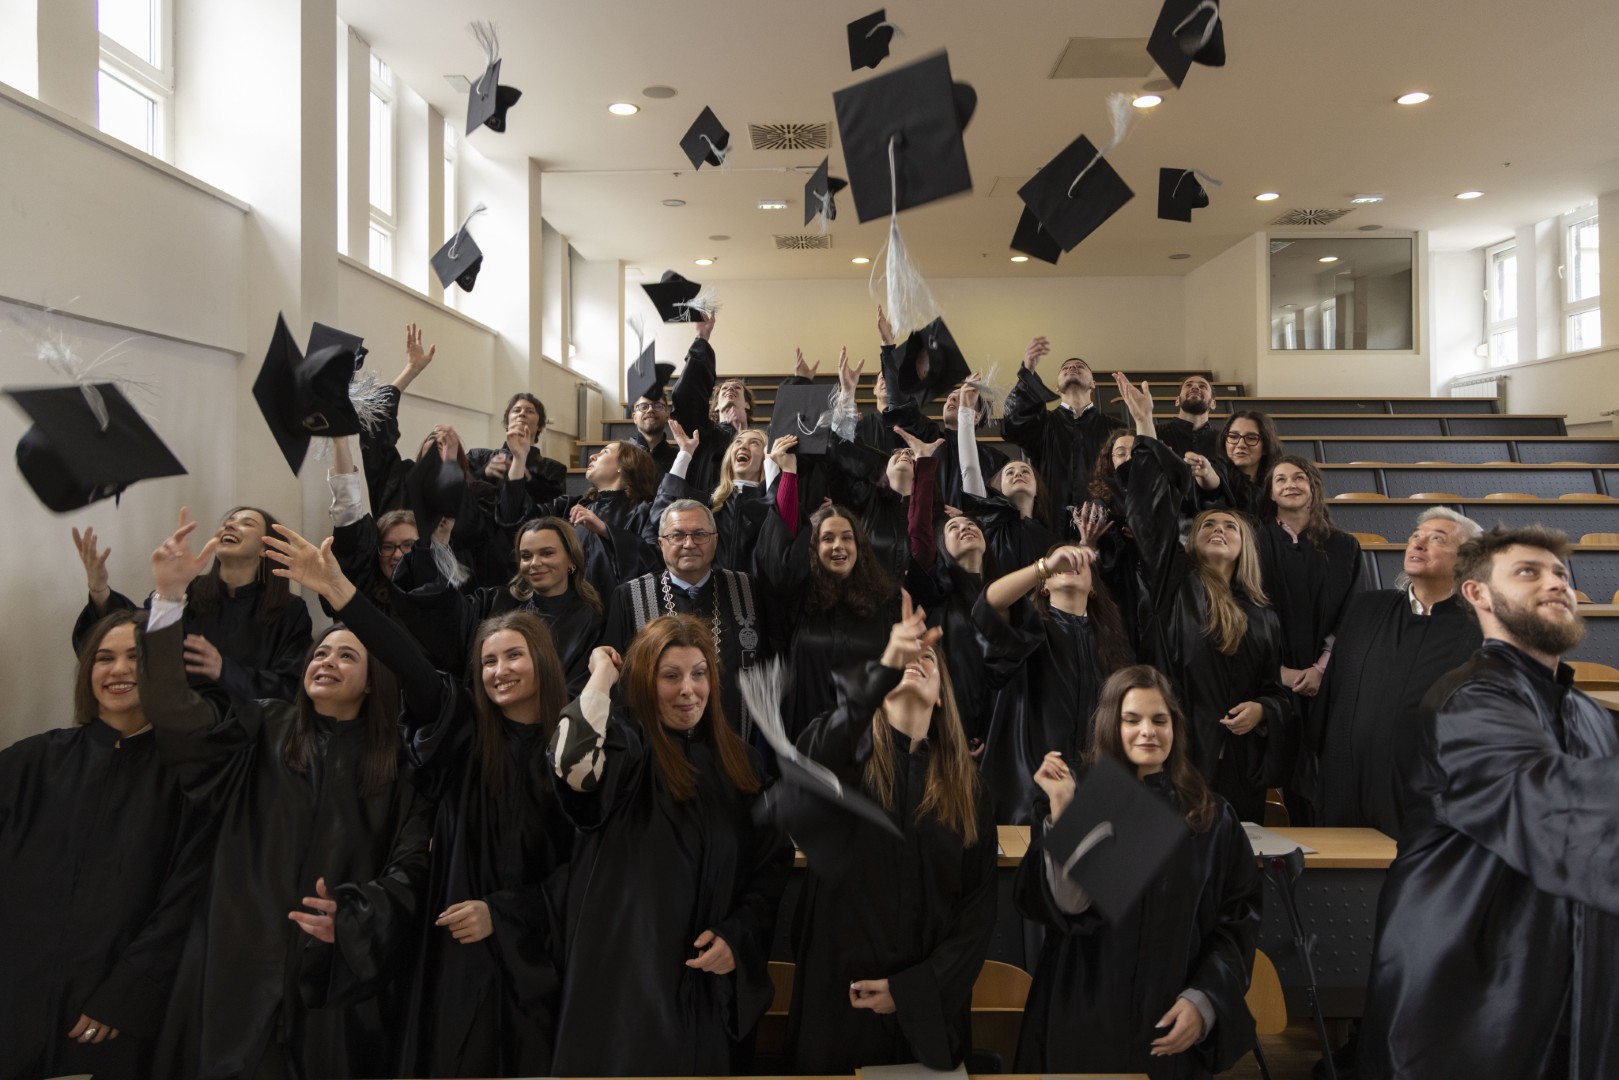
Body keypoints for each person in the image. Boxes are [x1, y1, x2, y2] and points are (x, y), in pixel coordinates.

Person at [263, 526, 574, 1077]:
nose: (499, 671)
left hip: (541, 961)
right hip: (455, 959)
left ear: (544, 663)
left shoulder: (570, 749)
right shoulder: (464, 731)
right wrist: (341, 594)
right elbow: (408, 664)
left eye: (513, 657)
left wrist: (504, 914)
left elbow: (583, 869)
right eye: (488, 662)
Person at [139, 509, 432, 1078]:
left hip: (335, 978)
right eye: (320, 653)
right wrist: (168, 599)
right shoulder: (263, 725)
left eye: (347, 656)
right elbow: (174, 711)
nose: (326, 661)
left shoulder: (395, 762)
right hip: (238, 963)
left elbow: (411, 867)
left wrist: (355, 915)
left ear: (371, 682)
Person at [1360, 525, 1619, 1080]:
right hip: (1470, 994)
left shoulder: (1592, 716)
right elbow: (1556, 812)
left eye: (1561, 574)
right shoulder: (1470, 696)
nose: (1556, 583)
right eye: (1528, 572)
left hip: (1570, 985)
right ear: (1476, 593)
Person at [547, 618, 792, 1076]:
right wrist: (602, 675)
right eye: (670, 676)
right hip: (627, 998)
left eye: (699, 674)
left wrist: (737, 936)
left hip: (707, 996)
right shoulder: (623, 749)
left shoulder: (742, 764)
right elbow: (570, 760)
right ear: (645, 681)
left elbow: (770, 868)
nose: (688, 690)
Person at [1015, 666, 1261, 1079]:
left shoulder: (1211, 818)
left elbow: (1236, 923)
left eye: (1159, 720)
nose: (1147, 732)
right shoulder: (1082, 798)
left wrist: (1204, 1001)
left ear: (1175, 727)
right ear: (1112, 725)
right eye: (1132, 720)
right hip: (1084, 1017)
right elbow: (1067, 907)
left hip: (1168, 1019)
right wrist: (1065, 814)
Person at [787, 596, 997, 1072]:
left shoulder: (970, 792)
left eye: (927, 658)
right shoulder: (845, 761)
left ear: (941, 695)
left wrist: (909, 991)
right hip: (841, 1003)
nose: (914, 661)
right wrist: (882, 667)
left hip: (928, 1013)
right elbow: (805, 768)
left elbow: (977, 915)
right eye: (901, 659)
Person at [0, 610, 212, 1080]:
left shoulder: (189, 781)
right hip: (14, 1000)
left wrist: (126, 994)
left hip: (111, 1014)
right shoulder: (31, 762)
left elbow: (184, 902)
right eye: (104, 658)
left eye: (136, 657)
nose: (118, 670)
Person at [1115, 375, 1293, 822]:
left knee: (1231, 848)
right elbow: (1150, 513)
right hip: (1175, 750)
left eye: (1230, 526)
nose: (1218, 529)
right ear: (1192, 542)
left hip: (1238, 764)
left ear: (1245, 545)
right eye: (1207, 525)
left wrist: (1263, 711)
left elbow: (1275, 691)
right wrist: (1144, 423)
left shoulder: (1264, 615)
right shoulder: (1174, 583)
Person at [1317, 507, 1483, 837]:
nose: (1418, 544)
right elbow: (1333, 693)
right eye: (1415, 536)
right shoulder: (1366, 609)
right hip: (1344, 789)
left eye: (1437, 539)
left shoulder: (1484, 630)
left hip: (1429, 801)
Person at [72, 507, 313, 702]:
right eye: (228, 521)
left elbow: (290, 687)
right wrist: (99, 588)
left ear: (264, 549)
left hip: (252, 731)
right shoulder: (187, 590)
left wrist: (224, 670)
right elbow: (141, 637)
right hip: (177, 720)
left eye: (247, 523)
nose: (230, 525)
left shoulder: (289, 610)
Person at [975, 544, 1133, 823]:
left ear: (1093, 589)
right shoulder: (1027, 632)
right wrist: (1045, 566)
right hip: (1025, 798)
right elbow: (989, 605)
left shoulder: (1113, 651)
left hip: (1096, 800)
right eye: (1061, 560)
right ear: (1044, 587)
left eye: (1079, 560)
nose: (1069, 562)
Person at [601, 499, 772, 746]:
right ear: (661, 544)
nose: (689, 544)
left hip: (735, 742)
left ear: (715, 540)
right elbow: (618, 683)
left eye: (700, 534)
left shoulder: (746, 588)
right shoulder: (630, 596)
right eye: (677, 535)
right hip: (656, 748)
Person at [1255, 455, 1365, 823]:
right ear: (1270, 492)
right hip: (1269, 681)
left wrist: (1321, 668)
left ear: (1313, 487)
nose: (1290, 484)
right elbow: (1241, 611)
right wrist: (1278, 671)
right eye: (1280, 479)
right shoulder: (1253, 543)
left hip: (1327, 682)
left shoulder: (1344, 546)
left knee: (1323, 781)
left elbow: (1354, 613)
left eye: (1299, 477)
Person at [391, 515, 604, 695]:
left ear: (571, 560)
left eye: (547, 553)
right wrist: (437, 544)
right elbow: (445, 617)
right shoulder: (494, 602)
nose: (534, 563)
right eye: (526, 556)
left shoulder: (590, 620)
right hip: (491, 722)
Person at [756, 497, 902, 741]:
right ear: (813, 547)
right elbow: (774, 562)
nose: (838, 546)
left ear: (859, 546)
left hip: (870, 741)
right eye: (827, 538)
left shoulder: (884, 604)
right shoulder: (797, 601)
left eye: (847, 537)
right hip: (806, 738)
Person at [496, 438, 658, 597]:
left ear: (624, 466)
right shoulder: (570, 506)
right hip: (568, 605)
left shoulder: (644, 511)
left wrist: (605, 531)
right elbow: (517, 517)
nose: (592, 456)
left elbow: (654, 561)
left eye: (605, 452)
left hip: (616, 606)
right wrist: (519, 460)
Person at [1001, 335, 1125, 521]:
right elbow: (1012, 427)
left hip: (1103, 523)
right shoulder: (1042, 423)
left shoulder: (1115, 429)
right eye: (1065, 368)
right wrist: (1028, 371)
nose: (1072, 368)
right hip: (1050, 522)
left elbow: (1128, 478)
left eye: (1079, 366)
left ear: (1093, 384)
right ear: (1057, 388)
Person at [645, 421, 775, 575]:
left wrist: (772, 464)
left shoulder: (770, 505)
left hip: (757, 588)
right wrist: (685, 453)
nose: (743, 446)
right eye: (738, 442)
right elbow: (661, 518)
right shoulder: (707, 504)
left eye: (755, 443)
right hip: (711, 586)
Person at [667, 311, 746, 494]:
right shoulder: (702, 433)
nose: (730, 390)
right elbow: (687, 395)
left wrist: (743, 433)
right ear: (716, 406)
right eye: (724, 389)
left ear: (747, 404)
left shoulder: (762, 439)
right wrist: (702, 339)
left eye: (737, 388)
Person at [469, 392, 567, 510]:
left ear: (540, 426)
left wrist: (524, 475)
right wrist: (484, 473)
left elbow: (553, 508)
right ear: (507, 422)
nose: (522, 414)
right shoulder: (478, 457)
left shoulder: (554, 469)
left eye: (530, 411)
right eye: (516, 410)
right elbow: (461, 495)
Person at [1204, 410, 1284, 518]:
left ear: (1265, 447)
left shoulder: (1275, 482)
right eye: (1233, 436)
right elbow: (1211, 479)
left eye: (1251, 438)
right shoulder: (1218, 470)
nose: (1240, 444)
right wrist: (1205, 473)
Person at [1155, 375, 1221, 459]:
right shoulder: (1156, 432)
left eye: (1202, 386)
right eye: (1189, 385)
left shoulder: (1223, 440)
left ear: (1213, 404)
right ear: (1177, 400)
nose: (1195, 387)